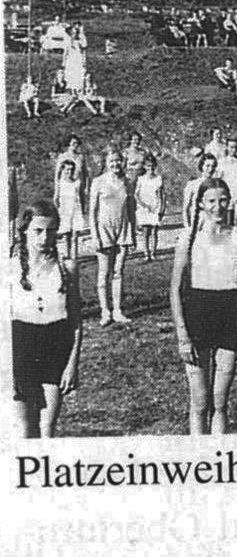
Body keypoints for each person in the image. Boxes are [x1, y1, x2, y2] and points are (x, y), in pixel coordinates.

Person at [169, 177, 237, 435]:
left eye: (223, 200)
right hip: (198, 317)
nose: (218, 207)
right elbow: (174, 289)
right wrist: (183, 335)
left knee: (220, 403)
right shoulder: (189, 238)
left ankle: (217, 459)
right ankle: (199, 458)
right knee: (200, 403)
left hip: (230, 318)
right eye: (212, 201)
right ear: (201, 205)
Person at [9, 200, 82, 438]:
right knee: (24, 429)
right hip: (21, 348)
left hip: (55, 346)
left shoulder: (67, 267)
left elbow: (76, 322)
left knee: (47, 428)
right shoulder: (10, 268)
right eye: (38, 231)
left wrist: (72, 365)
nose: (44, 237)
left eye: (51, 231)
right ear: (25, 231)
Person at [89, 147, 136, 326]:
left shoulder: (127, 182)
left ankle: (117, 310)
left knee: (118, 272)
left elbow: (131, 209)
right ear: (106, 164)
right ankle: (105, 311)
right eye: (111, 161)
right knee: (104, 273)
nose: (115, 164)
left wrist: (132, 232)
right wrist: (95, 236)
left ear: (122, 161)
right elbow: (92, 211)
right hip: (104, 230)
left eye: (118, 160)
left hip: (122, 229)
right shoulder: (98, 182)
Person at [135, 153, 165, 262]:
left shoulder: (158, 178)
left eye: (152, 166)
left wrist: (162, 208)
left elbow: (162, 195)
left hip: (155, 206)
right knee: (145, 232)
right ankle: (146, 253)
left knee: (154, 231)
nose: (150, 168)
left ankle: (153, 253)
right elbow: (136, 195)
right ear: (144, 166)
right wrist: (144, 205)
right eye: (148, 166)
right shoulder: (141, 179)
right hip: (144, 207)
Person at [54, 160, 85, 260]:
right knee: (66, 235)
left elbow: (81, 197)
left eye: (71, 170)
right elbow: (56, 198)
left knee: (75, 235)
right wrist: (57, 210)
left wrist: (83, 209)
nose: (69, 172)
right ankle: (67, 255)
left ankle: (74, 257)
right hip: (65, 210)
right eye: (67, 169)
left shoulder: (77, 182)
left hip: (76, 209)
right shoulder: (60, 182)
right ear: (63, 170)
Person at [182, 153, 219, 229]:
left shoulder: (217, 185)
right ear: (202, 166)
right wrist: (187, 227)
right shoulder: (193, 184)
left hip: (211, 225)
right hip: (196, 223)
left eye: (213, 166)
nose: (210, 169)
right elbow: (186, 208)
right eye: (207, 166)